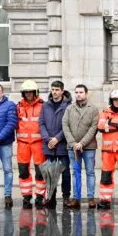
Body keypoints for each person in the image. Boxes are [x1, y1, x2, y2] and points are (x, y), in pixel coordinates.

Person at [62, 84, 98, 209]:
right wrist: (73, 144)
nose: (78, 94)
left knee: (90, 172)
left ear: (86, 93)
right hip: (73, 148)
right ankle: (76, 198)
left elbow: (93, 128)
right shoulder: (69, 108)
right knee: (76, 172)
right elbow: (65, 126)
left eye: (81, 92)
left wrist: (81, 143)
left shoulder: (93, 109)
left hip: (89, 147)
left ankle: (91, 198)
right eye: (76, 92)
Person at [40, 80, 71, 208]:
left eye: (57, 90)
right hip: (49, 145)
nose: (54, 92)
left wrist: (57, 139)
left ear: (62, 91)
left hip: (62, 144)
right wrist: (48, 139)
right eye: (53, 89)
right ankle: (51, 197)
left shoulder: (69, 106)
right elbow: (41, 123)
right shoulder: (45, 105)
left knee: (65, 172)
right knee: (49, 172)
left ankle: (65, 197)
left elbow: (69, 125)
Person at [16, 81, 46, 209]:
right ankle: (26, 197)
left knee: (40, 172)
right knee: (23, 171)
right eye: (26, 92)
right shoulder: (18, 107)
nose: (28, 94)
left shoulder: (43, 106)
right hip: (23, 144)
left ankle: (40, 196)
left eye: (31, 92)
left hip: (38, 143)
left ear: (35, 93)